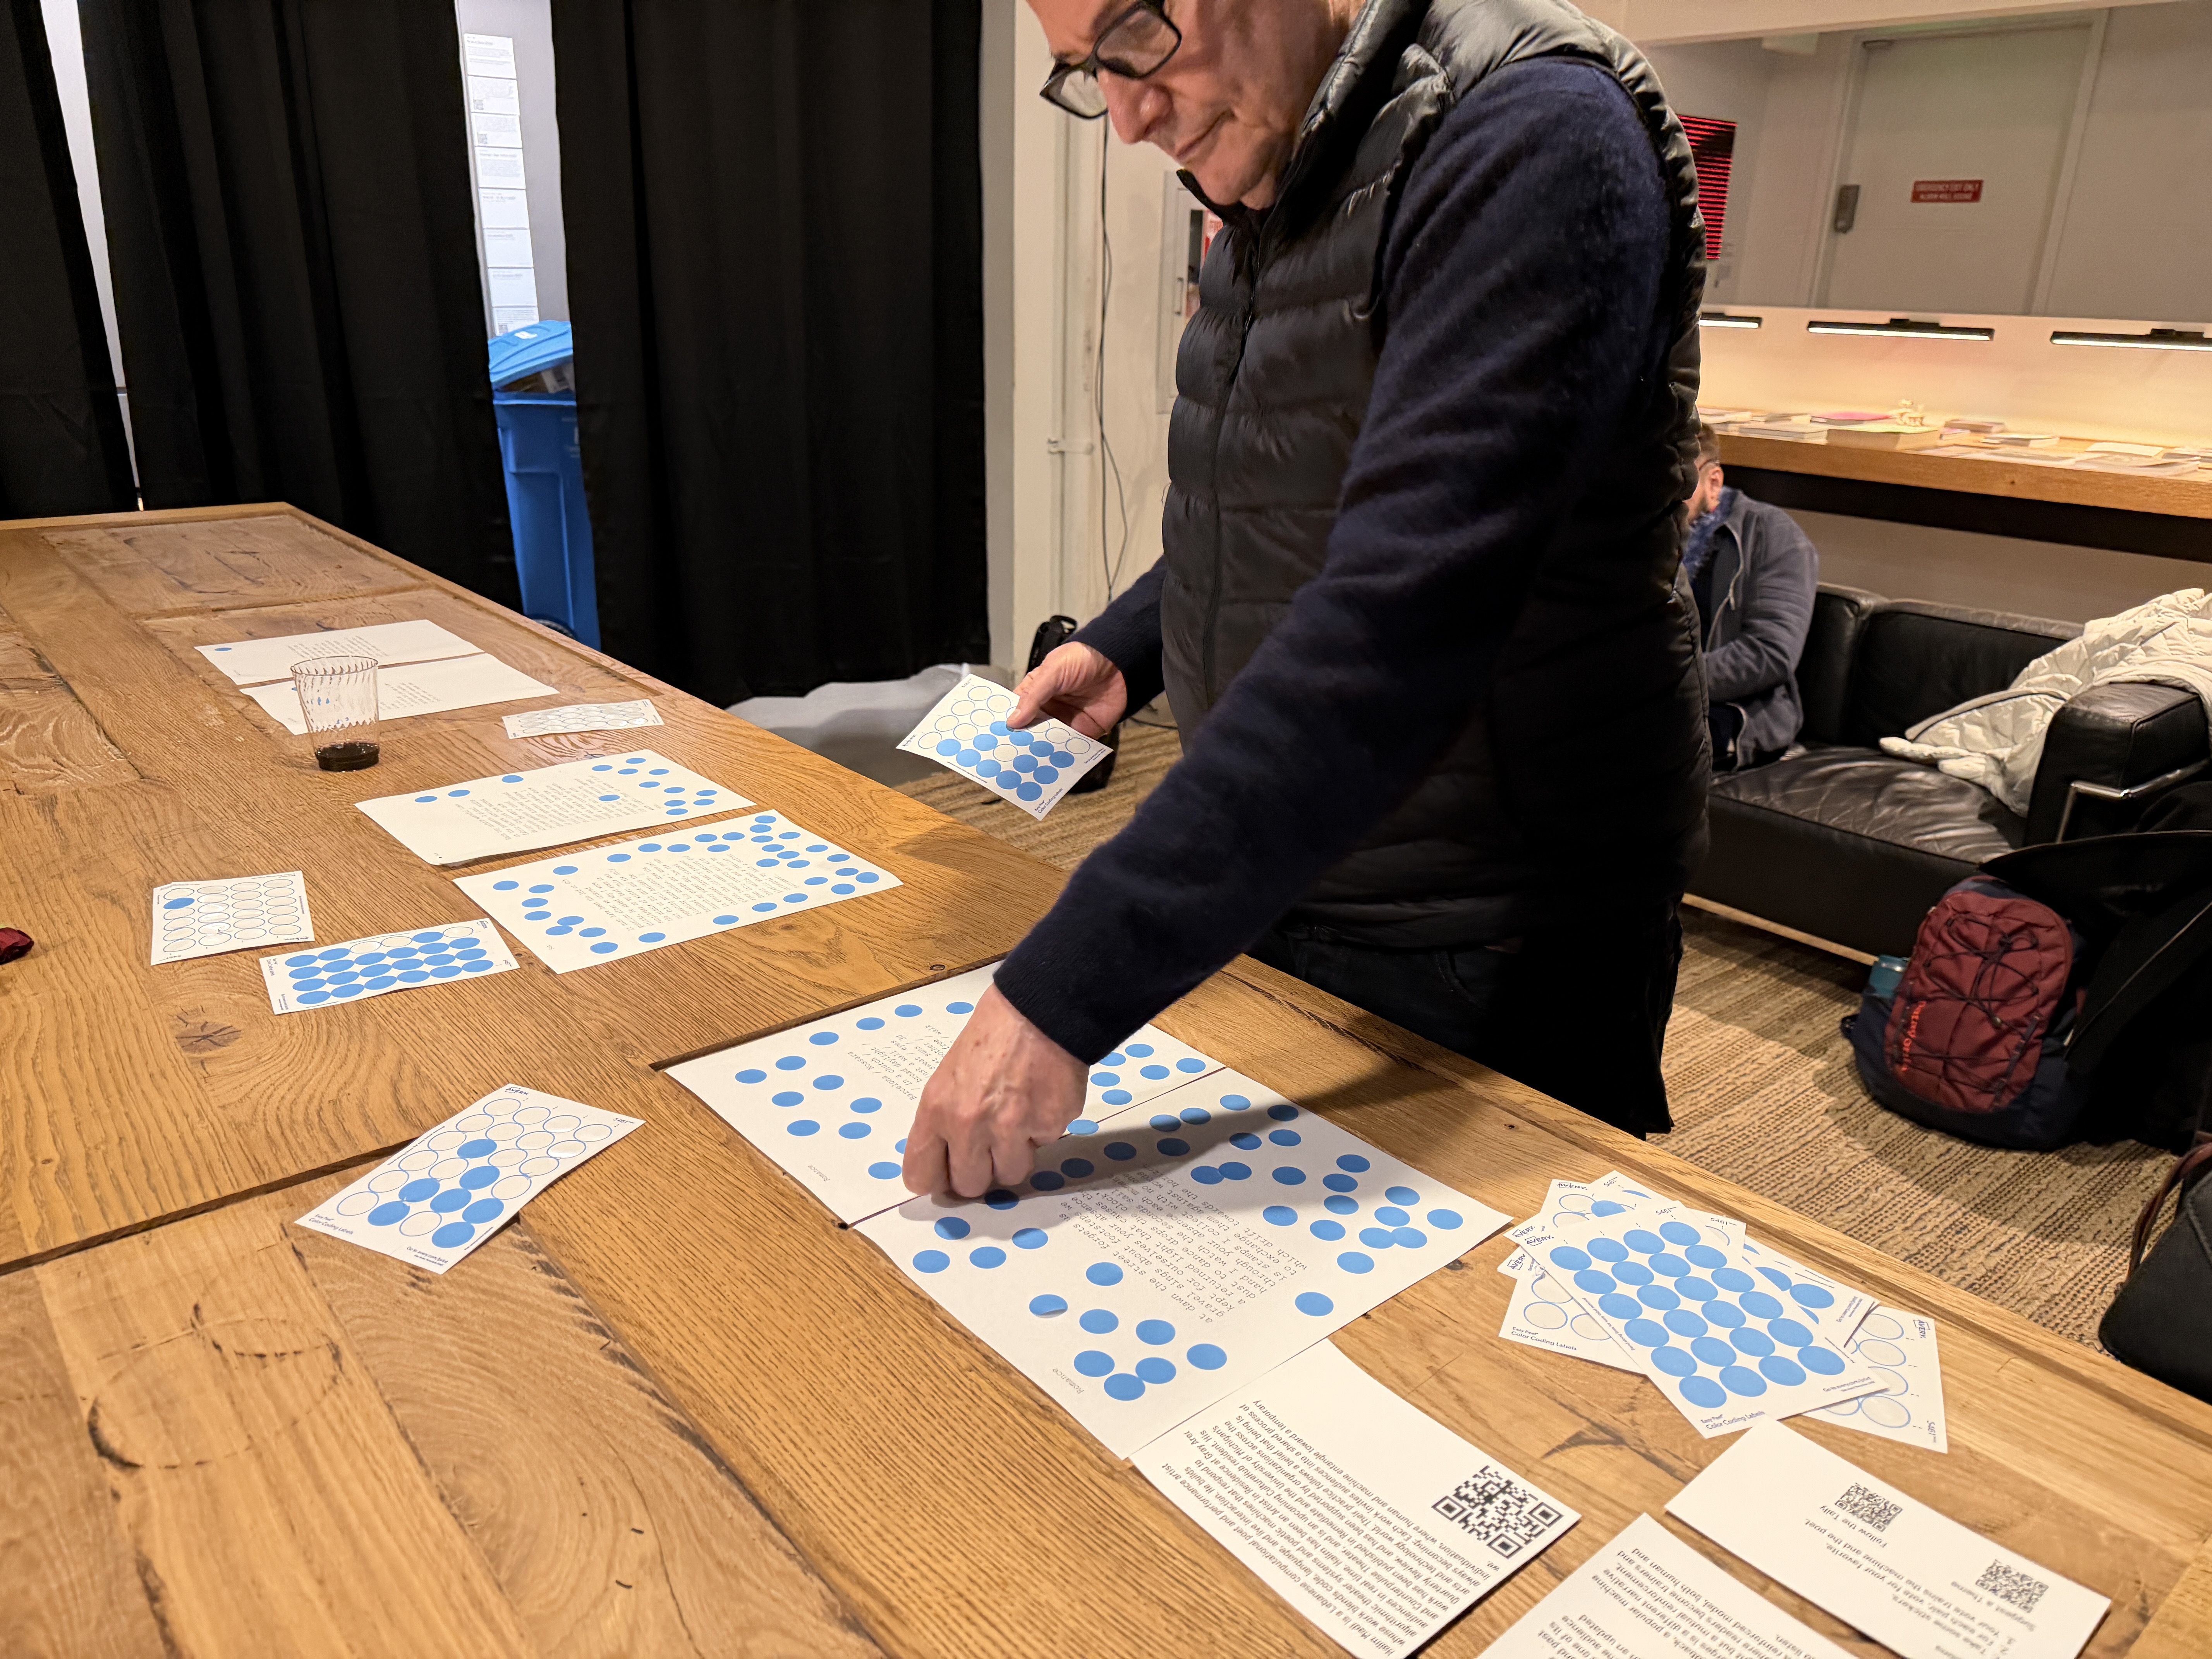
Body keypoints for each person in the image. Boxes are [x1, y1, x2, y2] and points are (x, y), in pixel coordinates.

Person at [903, 0, 1711, 1199]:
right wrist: (1132, 644)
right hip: (1302, 864)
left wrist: (1065, 987)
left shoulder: (1531, 134)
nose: (1124, 116)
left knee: (1472, 1302)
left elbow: (1405, 614)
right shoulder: (1283, 160)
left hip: (1486, 919)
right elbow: (1301, 506)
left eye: (1135, 38)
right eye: (1083, 72)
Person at [1681, 424, 1819, 772]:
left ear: (1713, 482)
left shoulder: (1772, 536)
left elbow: (1770, 655)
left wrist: (1664, 680)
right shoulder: (1640, 536)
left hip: (1735, 711)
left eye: (1678, 484)